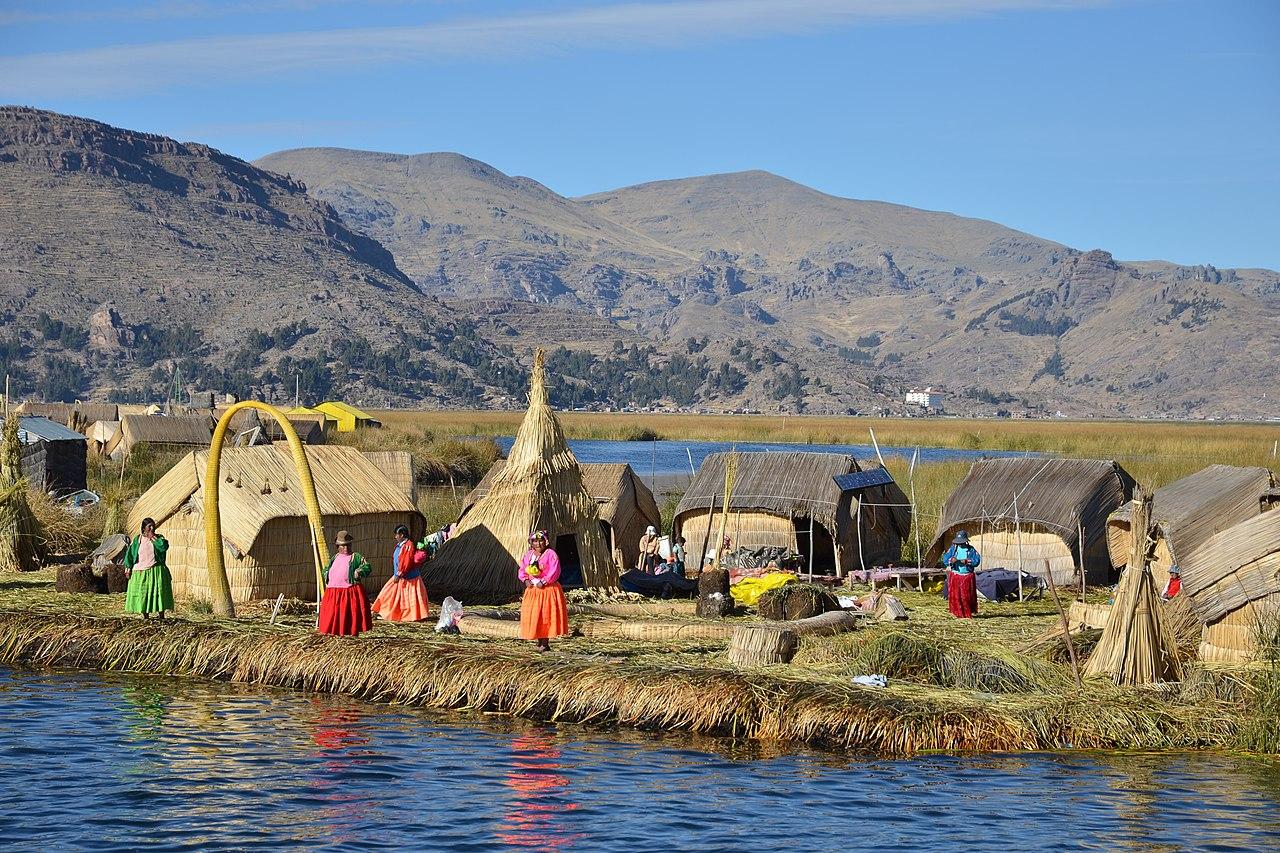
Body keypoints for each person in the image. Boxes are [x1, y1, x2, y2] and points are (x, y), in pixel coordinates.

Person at [518, 530, 568, 652]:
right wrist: (525, 580)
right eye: (535, 541)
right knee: (535, 616)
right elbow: (523, 569)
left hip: (547, 590)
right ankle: (539, 641)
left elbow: (554, 571)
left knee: (546, 616)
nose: (538, 544)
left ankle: (545, 643)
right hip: (533, 591)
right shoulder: (528, 555)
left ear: (546, 541)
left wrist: (544, 581)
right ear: (531, 542)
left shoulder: (551, 554)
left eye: (541, 540)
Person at [318, 530, 373, 636]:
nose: (346, 548)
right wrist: (327, 574)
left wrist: (359, 571)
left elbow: (367, 567)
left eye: (348, 545)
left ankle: (350, 633)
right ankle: (334, 633)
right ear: (338, 546)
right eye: (343, 546)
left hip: (349, 592)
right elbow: (325, 569)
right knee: (333, 614)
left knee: (349, 614)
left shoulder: (356, 557)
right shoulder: (334, 558)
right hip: (333, 592)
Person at [371, 524, 430, 622]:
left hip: (408, 578)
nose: (395, 537)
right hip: (399, 575)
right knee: (388, 594)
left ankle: (400, 615)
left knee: (404, 599)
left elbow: (405, 562)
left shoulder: (408, 546)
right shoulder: (401, 545)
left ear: (402, 535)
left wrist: (399, 574)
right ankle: (385, 612)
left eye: (397, 535)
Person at [124, 517, 174, 619]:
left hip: (156, 570)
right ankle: (146, 616)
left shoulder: (159, 538)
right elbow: (130, 554)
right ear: (143, 528)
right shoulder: (137, 540)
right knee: (143, 594)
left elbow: (163, 547)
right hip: (140, 571)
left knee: (159, 593)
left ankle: (161, 616)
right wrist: (128, 568)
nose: (152, 528)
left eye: (153, 526)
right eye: (149, 526)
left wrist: (153, 538)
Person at [942, 530, 981, 618]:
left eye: (962, 543)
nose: (960, 544)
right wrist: (952, 560)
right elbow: (945, 559)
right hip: (956, 575)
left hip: (967, 576)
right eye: (959, 543)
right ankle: (957, 612)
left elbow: (977, 560)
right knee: (956, 596)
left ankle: (967, 612)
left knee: (966, 596)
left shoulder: (971, 550)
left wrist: (967, 561)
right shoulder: (953, 549)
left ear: (966, 541)